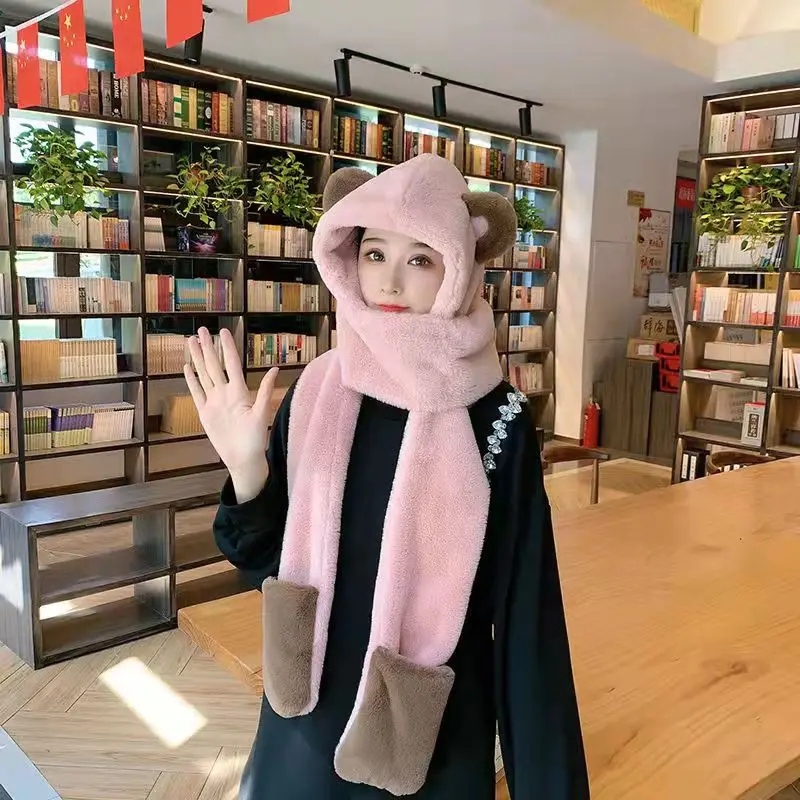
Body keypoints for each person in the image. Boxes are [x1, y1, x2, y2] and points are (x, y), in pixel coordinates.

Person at [185, 154, 589, 799]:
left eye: (421, 259)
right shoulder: (318, 390)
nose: (391, 281)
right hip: (305, 726)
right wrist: (247, 469)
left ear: (461, 267)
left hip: (432, 744)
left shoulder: (497, 416)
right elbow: (262, 565)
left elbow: (527, 625)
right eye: (375, 253)